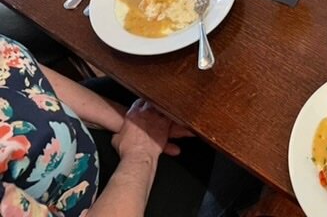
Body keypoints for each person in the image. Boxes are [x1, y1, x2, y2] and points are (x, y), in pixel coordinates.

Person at [0, 34, 257, 216]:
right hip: (93, 201)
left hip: (70, 130)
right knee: (239, 134)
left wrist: (132, 121)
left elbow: (23, 72)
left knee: (199, 96)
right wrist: (141, 153)